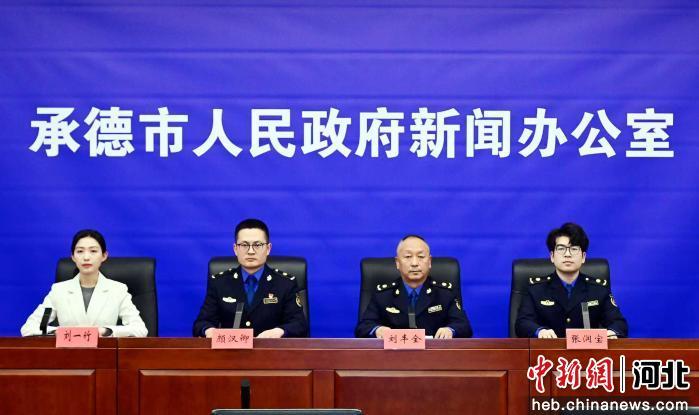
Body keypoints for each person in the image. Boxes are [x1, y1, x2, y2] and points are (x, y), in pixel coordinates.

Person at [193, 218, 308, 338]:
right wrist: (209, 331)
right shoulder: (219, 283)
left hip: (271, 349)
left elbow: (299, 324)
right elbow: (201, 323)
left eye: (257, 245)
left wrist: (279, 331)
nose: (251, 251)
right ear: (235, 249)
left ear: (268, 249)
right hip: (232, 349)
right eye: (244, 245)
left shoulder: (285, 284)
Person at [21, 229, 147, 337]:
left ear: (104, 256)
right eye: (80, 251)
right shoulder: (58, 291)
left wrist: (106, 331)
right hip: (68, 354)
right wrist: (58, 332)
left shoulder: (118, 290)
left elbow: (140, 329)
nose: (86, 257)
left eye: (93, 251)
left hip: (103, 354)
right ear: (73, 257)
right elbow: (30, 327)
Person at [515, 222, 628, 338]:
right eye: (561, 249)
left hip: (586, 350)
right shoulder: (536, 289)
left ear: (583, 257)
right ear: (552, 256)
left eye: (574, 249)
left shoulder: (598, 289)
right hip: (547, 349)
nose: (567, 254)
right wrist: (540, 331)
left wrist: (611, 332)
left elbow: (619, 323)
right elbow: (522, 323)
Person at [355, 235, 473, 338]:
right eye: (408, 257)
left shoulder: (445, 293)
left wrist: (450, 330)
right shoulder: (383, 295)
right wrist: (378, 330)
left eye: (421, 257)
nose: (415, 263)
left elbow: (464, 326)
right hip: (393, 355)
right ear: (397, 263)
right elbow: (363, 327)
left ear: (429, 261)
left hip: (434, 355)